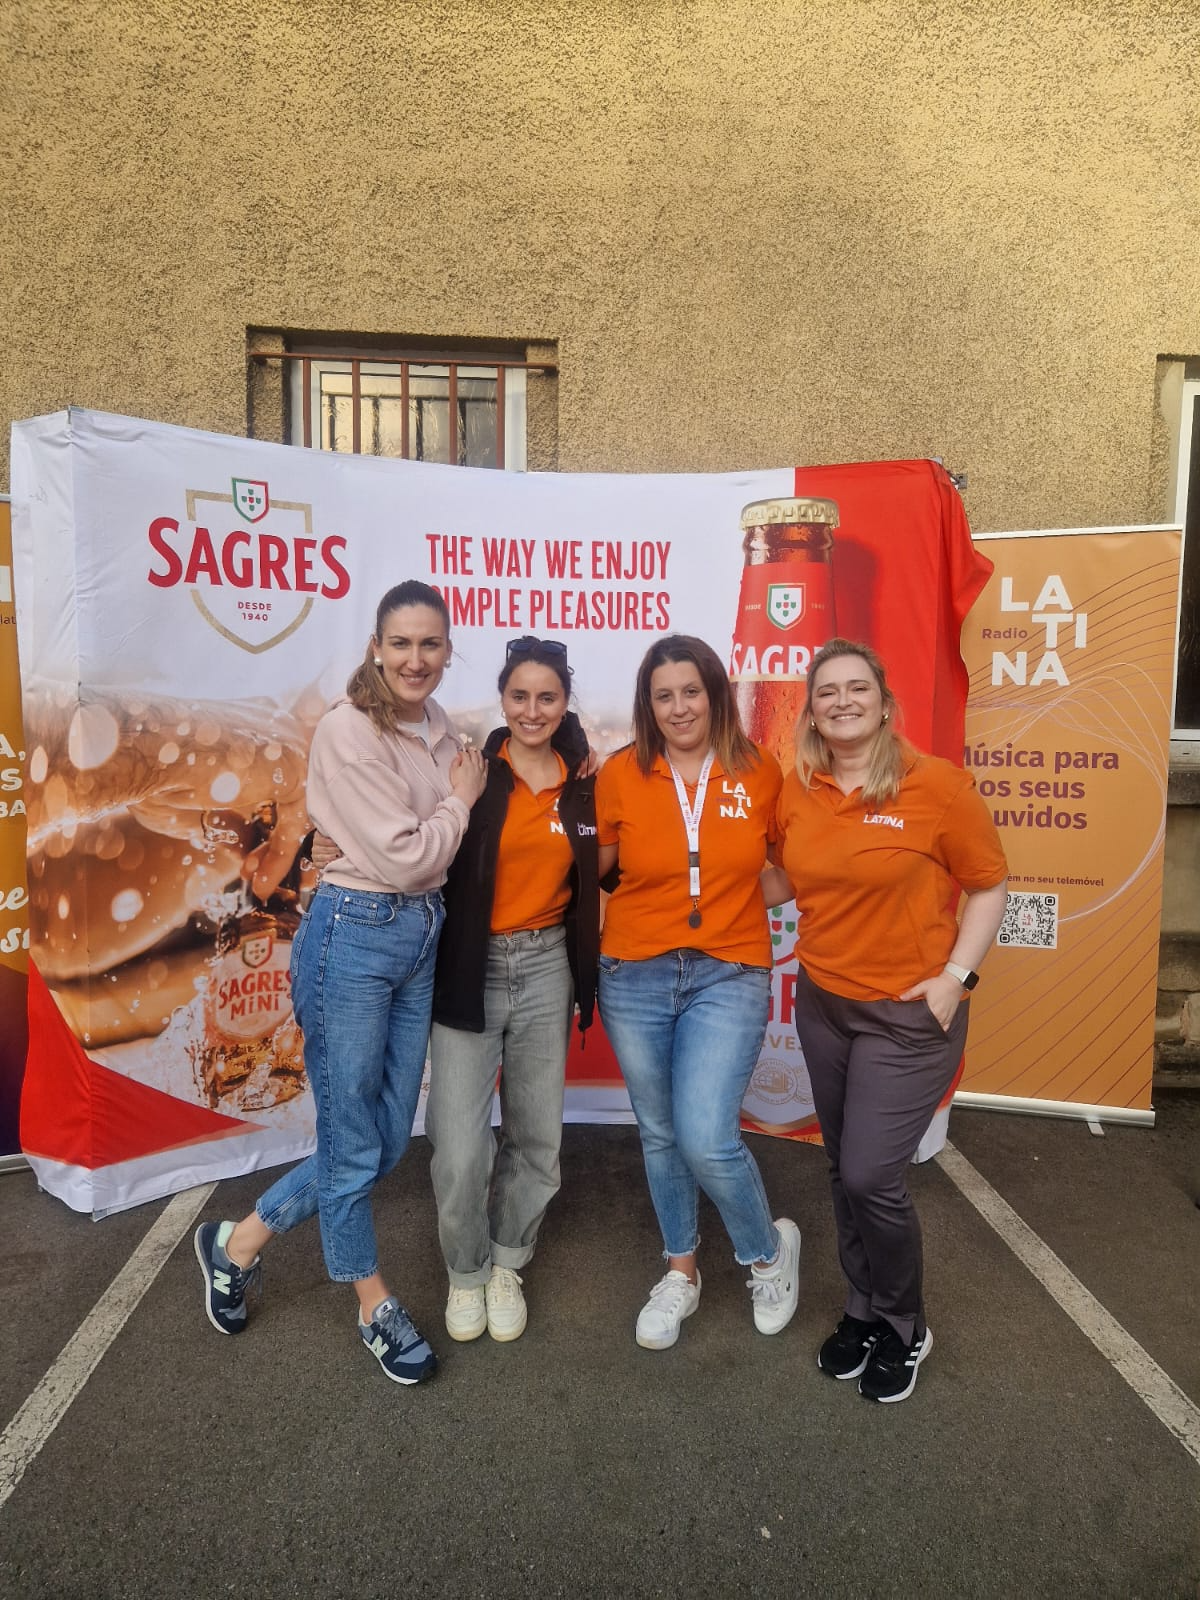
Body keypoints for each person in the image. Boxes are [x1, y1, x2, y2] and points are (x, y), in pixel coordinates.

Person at [193, 580, 487, 1385]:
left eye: (431, 644)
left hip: (419, 936)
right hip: (354, 935)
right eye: (402, 643)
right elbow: (408, 856)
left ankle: (239, 1243)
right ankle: (371, 1303)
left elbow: (420, 856)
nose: (416, 659)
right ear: (375, 648)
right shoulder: (349, 728)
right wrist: (460, 803)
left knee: (384, 1138)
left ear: (448, 648)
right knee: (355, 1139)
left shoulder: (440, 727)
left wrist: (435, 826)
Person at [768, 637, 1007, 1404]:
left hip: (906, 1017)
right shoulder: (798, 788)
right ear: (811, 711)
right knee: (843, 1170)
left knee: (873, 1176)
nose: (842, 701)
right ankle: (863, 1307)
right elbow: (780, 878)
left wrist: (955, 979)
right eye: (827, 691)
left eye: (857, 688)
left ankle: (906, 1325)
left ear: (883, 703)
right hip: (824, 1004)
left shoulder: (936, 787)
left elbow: (989, 885)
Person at [595, 634, 801, 1351]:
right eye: (664, 695)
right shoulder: (621, 773)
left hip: (729, 970)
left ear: (716, 695)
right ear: (647, 705)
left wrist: (730, 903)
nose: (679, 707)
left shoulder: (760, 771)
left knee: (708, 1137)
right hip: (634, 973)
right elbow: (596, 869)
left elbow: (792, 866)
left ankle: (767, 1254)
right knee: (659, 1132)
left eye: (691, 691)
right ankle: (680, 1271)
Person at [425, 637, 600, 1344]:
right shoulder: (471, 771)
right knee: (459, 1146)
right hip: (471, 966)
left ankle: (506, 1263)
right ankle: (465, 1273)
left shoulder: (583, 783)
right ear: (502, 698)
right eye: (520, 696)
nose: (533, 710)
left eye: (547, 697)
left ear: (564, 702)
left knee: (536, 1136)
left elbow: (608, 869)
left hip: (548, 964)